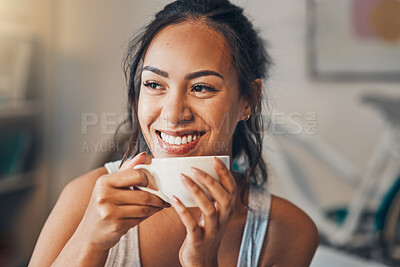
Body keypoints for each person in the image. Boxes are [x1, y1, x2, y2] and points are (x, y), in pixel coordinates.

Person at [29, 0, 319, 266]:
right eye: (154, 84)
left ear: (249, 100)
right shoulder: (84, 200)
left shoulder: (286, 232)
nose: (172, 113)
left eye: (201, 87)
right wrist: (90, 241)